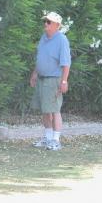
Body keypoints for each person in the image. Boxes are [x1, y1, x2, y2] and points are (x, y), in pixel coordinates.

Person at [30, 12, 71, 150]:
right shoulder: (44, 38)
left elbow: (66, 63)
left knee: (54, 110)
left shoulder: (62, 39)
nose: (45, 24)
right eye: (45, 21)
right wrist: (35, 73)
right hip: (41, 78)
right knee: (45, 110)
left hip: (54, 80)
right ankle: (47, 138)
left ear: (57, 25)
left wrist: (64, 81)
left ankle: (56, 140)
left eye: (49, 22)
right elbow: (40, 57)